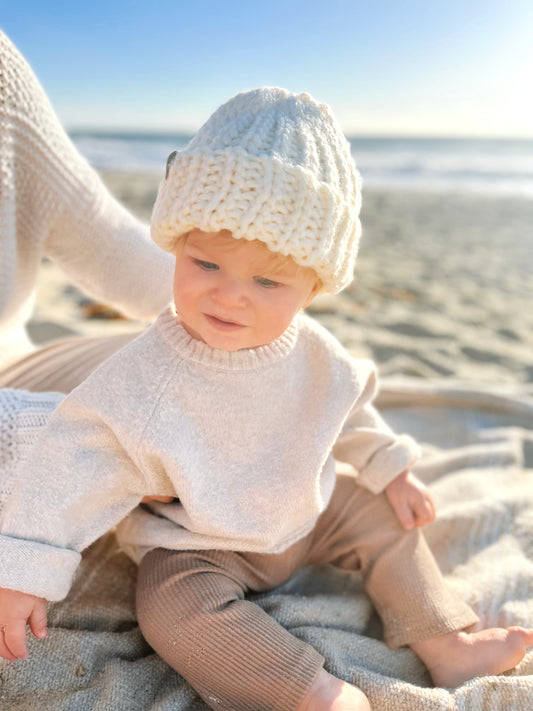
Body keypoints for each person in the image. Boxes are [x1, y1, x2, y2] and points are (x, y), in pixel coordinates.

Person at [1, 88, 532, 711]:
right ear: (175, 245)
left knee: (387, 519)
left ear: (313, 287)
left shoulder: (317, 353)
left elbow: (351, 409)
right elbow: (73, 455)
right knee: (171, 611)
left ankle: (447, 642)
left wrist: (391, 468)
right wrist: (26, 570)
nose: (230, 296)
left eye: (267, 280)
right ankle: (311, 690)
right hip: (200, 540)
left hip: (310, 508)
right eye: (204, 264)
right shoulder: (149, 371)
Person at [0, 29, 174, 392]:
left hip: (11, 377)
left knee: (241, 363)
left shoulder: (4, 78)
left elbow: (110, 246)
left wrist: (241, 286)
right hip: (15, 420)